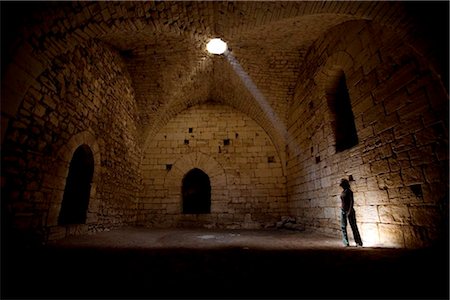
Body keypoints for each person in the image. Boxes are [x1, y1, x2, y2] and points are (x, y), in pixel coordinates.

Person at [339, 178, 363, 247]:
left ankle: (358, 242)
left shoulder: (349, 191)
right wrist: (341, 207)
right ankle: (345, 242)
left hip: (349, 211)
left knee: (353, 226)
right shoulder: (343, 192)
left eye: (341, 183)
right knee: (343, 226)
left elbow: (351, 202)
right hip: (343, 210)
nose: (340, 184)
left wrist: (349, 211)